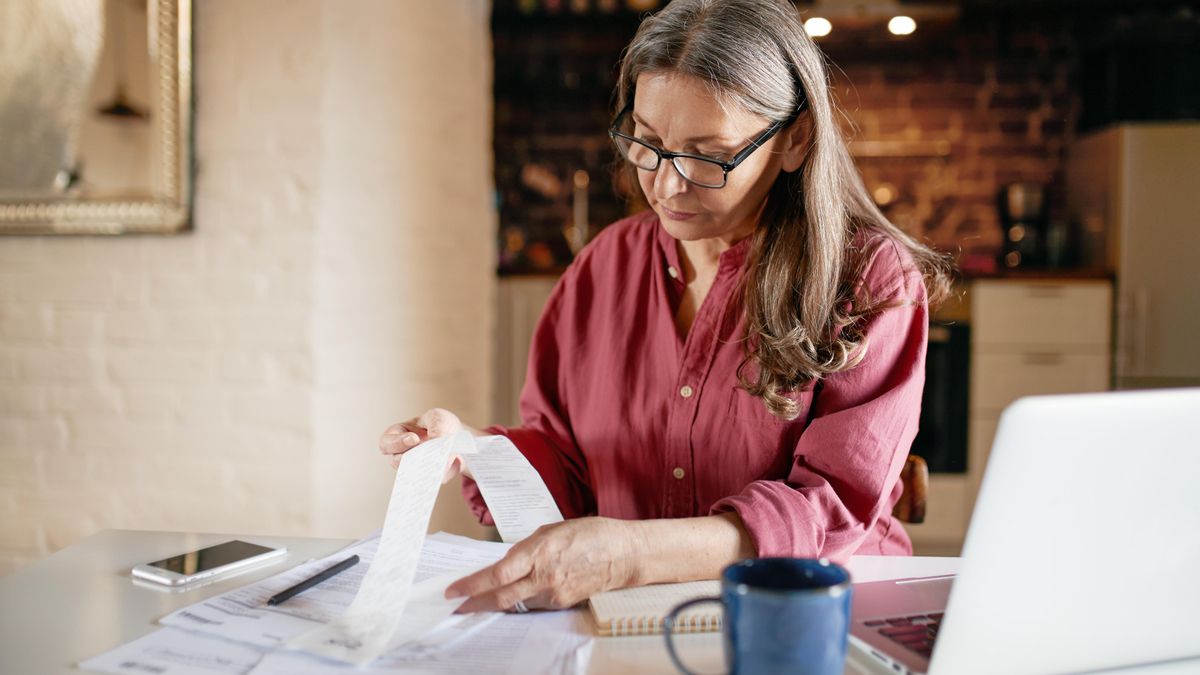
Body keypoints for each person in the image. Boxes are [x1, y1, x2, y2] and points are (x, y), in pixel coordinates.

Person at [380, 0, 950, 614]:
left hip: (813, 615)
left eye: (707, 155)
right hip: (632, 615)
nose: (668, 184)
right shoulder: (604, 267)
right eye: (648, 144)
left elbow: (831, 510)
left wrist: (631, 554)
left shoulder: (866, 279)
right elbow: (569, 462)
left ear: (796, 139)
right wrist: (472, 449)